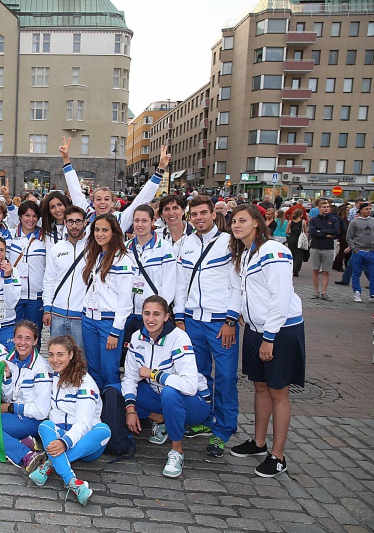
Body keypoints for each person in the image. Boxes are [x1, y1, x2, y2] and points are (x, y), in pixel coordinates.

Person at [228, 205, 305, 477]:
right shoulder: (246, 253)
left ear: (257, 223)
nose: (236, 225)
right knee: (260, 387)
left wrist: (269, 337)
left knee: (278, 391)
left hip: (279, 331)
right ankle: (259, 443)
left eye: (242, 220)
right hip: (255, 329)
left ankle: (278, 455)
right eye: (233, 221)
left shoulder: (273, 250)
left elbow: (281, 296)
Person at [174, 195, 242, 458]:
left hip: (220, 322)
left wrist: (230, 320)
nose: (199, 218)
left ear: (214, 214)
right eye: (194, 214)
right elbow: (180, 285)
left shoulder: (228, 242)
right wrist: (179, 318)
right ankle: (203, 418)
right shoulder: (185, 243)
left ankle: (222, 431)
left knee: (226, 376)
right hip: (192, 320)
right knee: (198, 374)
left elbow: (237, 284)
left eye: (203, 213)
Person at [122, 296, 212, 478]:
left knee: (170, 393)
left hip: (194, 404)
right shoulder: (136, 337)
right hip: (160, 396)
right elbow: (130, 378)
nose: (150, 319)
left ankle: (177, 451)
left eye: (156, 314)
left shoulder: (179, 337)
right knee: (116, 390)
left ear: (166, 317)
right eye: (146, 313)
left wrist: (154, 374)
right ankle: (162, 420)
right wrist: (130, 410)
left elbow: (189, 386)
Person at [28, 335, 109, 505]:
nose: (54, 360)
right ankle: (72, 482)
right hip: (60, 434)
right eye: (51, 355)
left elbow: (84, 423)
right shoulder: (52, 375)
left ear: (71, 355)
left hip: (86, 441)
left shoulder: (85, 383)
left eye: (60, 354)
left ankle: (49, 465)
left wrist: (64, 443)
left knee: (104, 430)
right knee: (45, 426)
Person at [81, 213, 134, 389]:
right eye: (97, 230)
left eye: (105, 230)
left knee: (109, 370)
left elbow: (125, 301)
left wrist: (115, 331)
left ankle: (113, 404)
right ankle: (96, 403)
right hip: (89, 319)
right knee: (93, 369)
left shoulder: (123, 260)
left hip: (109, 322)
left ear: (114, 232)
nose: (100, 234)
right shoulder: (94, 255)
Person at [0, 321, 52, 472]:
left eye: (28, 338)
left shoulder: (42, 368)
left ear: (35, 341)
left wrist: (10, 407)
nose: (22, 343)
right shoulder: (9, 359)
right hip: (14, 414)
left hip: (32, 419)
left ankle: (26, 455)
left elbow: (41, 411)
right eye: (19, 337)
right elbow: (7, 396)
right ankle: (25, 443)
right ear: (13, 339)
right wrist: (7, 378)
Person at [123, 205, 176, 351]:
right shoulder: (125, 248)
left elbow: (169, 283)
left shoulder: (164, 248)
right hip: (129, 314)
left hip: (151, 315)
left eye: (144, 221)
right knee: (129, 355)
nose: (140, 225)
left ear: (152, 221)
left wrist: (158, 312)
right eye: (136, 221)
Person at [42, 206, 88, 350]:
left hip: (81, 316)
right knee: (57, 355)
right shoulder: (57, 248)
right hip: (57, 314)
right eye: (70, 221)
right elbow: (49, 280)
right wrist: (47, 308)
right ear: (65, 223)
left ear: (85, 222)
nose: (74, 226)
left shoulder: (93, 248)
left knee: (80, 357)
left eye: (78, 221)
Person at [7, 201, 46, 338]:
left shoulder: (45, 238)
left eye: (34, 216)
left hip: (36, 298)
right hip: (15, 296)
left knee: (34, 335)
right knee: (14, 335)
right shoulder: (10, 235)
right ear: (20, 216)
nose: (31, 219)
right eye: (27, 215)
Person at [308, 199, 340, 301]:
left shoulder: (334, 219)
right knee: (315, 270)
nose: (326, 209)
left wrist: (321, 231)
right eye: (324, 207)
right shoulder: (314, 220)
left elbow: (335, 231)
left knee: (326, 271)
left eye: (327, 207)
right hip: (316, 246)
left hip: (328, 247)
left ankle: (324, 292)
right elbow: (313, 232)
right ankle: (316, 291)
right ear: (319, 208)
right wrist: (326, 234)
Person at [346, 203, 374, 303]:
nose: (369, 211)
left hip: (371, 251)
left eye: (370, 209)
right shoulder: (355, 222)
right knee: (356, 273)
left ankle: (373, 294)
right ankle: (357, 292)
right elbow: (349, 237)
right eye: (366, 209)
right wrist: (354, 249)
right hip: (359, 251)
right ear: (361, 210)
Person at [156, 195, 194, 266]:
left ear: (183, 211)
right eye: (167, 209)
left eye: (175, 208)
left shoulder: (196, 234)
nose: (171, 213)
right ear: (162, 214)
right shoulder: (156, 236)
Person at [285, 208, 308, 278]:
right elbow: (305, 232)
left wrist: (291, 233)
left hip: (292, 238)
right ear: (301, 215)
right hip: (299, 238)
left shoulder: (290, 222)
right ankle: (296, 270)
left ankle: (291, 268)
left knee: (292, 253)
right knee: (299, 254)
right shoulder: (303, 222)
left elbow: (287, 231)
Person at [333, 205, 351, 273]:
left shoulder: (346, 219)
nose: (348, 212)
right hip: (343, 236)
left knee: (342, 251)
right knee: (342, 251)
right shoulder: (341, 219)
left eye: (348, 210)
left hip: (346, 235)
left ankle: (336, 263)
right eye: (347, 210)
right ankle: (339, 265)